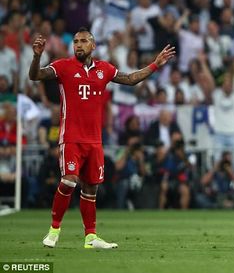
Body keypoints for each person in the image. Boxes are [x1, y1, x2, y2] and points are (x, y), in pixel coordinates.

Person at [29, 28, 175, 249]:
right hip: (71, 138)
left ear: (93, 45)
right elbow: (35, 75)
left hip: (95, 141)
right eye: (76, 41)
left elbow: (130, 79)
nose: (78, 45)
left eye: (84, 41)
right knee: (69, 180)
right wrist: (37, 56)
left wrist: (155, 64)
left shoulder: (104, 69)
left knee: (90, 189)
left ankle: (91, 238)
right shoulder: (62, 66)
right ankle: (54, 230)